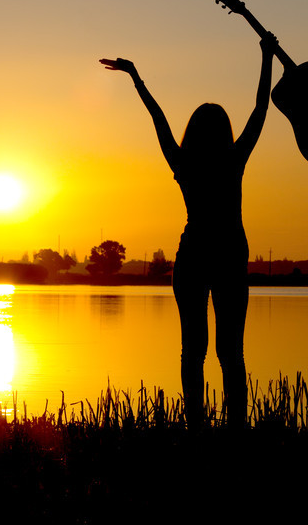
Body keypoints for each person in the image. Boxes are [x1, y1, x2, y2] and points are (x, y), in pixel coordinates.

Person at [100, 32, 277, 428]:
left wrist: (136, 79)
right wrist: (266, 57)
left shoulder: (183, 161)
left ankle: (196, 426)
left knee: (192, 350)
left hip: (195, 254)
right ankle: (236, 429)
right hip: (228, 253)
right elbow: (259, 109)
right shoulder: (234, 158)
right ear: (224, 131)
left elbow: (158, 119)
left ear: (193, 132)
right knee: (231, 352)